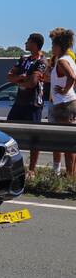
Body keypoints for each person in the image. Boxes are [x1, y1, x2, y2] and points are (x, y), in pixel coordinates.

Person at [6, 33, 48, 170]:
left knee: (33, 138)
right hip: (19, 103)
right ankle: (10, 165)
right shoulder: (23, 59)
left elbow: (32, 83)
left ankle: (32, 169)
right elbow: (9, 76)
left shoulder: (42, 61)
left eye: (28, 42)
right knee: (9, 132)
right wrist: (21, 78)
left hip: (33, 104)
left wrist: (21, 79)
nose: (25, 43)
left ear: (35, 44)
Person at [48, 29, 76, 176]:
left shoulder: (63, 60)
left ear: (59, 46)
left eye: (53, 45)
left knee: (66, 143)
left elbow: (72, 77)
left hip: (64, 105)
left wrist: (65, 90)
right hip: (68, 103)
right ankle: (70, 175)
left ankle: (70, 175)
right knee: (68, 143)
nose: (52, 48)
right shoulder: (69, 58)